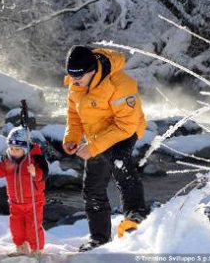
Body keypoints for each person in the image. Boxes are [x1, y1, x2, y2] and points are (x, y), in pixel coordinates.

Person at [62, 45, 148, 252]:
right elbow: (74, 116)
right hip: (96, 135)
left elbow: (125, 125)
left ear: (92, 70)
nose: (74, 80)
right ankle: (99, 238)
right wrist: (71, 138)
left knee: (119, 160)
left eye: (78, 76)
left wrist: (93, 147)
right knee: (92, 187)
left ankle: (135, 215)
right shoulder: (76, 85)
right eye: (71, 75)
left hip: (125, 131)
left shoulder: (121, 84)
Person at [0, 126, 48, 257]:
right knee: (16, 229)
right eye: (11, 148)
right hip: (15, 203)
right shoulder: (8, 160)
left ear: (25, 149)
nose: (13, 152)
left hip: (33, 203)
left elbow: (44, 174)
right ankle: (21, 248)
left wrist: (35, 173)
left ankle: (37, 250)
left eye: (17, 149)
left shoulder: (35, 159)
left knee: (33, 228)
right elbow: (0, 170)